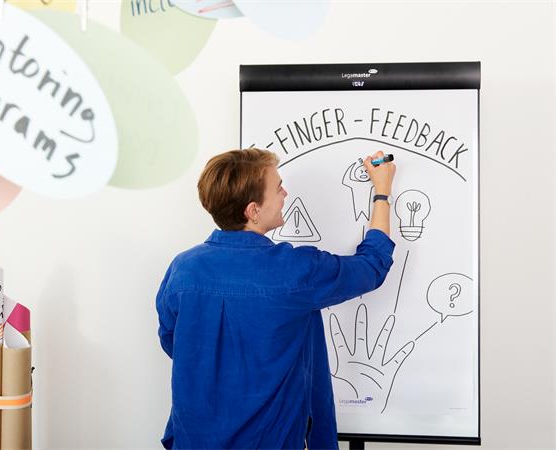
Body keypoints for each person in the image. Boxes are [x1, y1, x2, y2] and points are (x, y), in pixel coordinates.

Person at [156, 148, 396, 450]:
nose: (285, 194)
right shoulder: (294, 270)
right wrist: (382, 192)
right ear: (253, 210)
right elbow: (372, 266)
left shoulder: (183, 269)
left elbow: (173, 342)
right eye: (278, 187)